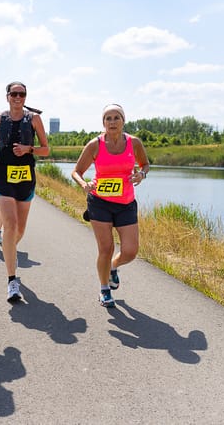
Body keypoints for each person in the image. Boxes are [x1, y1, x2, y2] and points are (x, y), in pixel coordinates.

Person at [71, 103, 150, 307]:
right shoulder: (95, 145)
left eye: (116, 118)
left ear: (124, 121)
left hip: (125, 203)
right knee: (105, 248)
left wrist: (141, 174)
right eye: (108, 118)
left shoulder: (134, 143)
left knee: (131, 251)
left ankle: (113, 267)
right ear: (103, 122)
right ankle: (104, 289)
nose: (112, 122)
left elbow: (145, 164)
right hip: (100, 203)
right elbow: (76, 171)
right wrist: (84, 184)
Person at [0, 81, 49, 303]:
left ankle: (8, 246)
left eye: (22, 94)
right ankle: (12, 281)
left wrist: (28, 149)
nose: (18, 97)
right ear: (7, 96)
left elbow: (46, 149)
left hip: (25, 179)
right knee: (10, 225)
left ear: (25, 97)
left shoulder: (33, 119)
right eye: (14, 93)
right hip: (3, 178)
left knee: (18, 230)